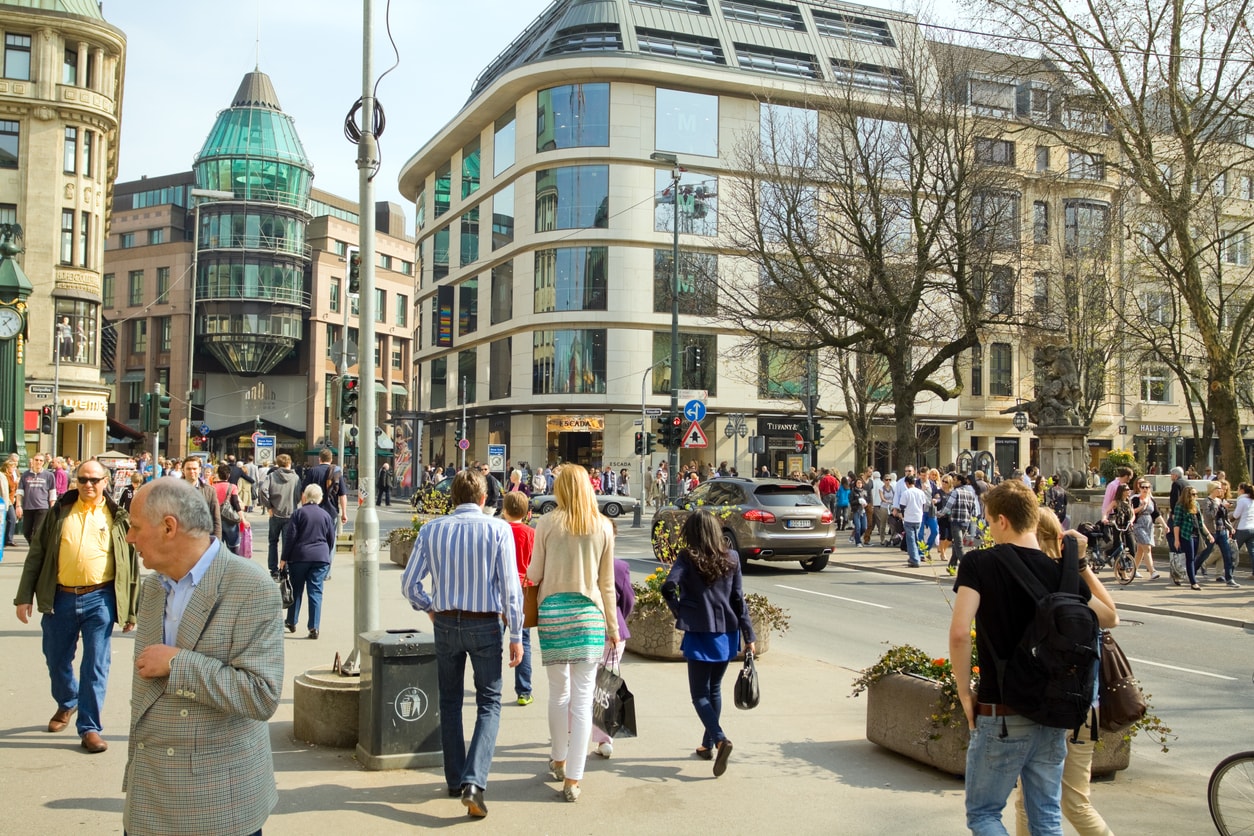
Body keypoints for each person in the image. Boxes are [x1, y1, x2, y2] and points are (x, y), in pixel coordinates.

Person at [948, 481, 1117, 835]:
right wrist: (1078, 564)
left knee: (983, 814)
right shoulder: (1060, 573)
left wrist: (965, 694)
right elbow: (1107, 616)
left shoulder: (980, 563)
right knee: (1046, 816)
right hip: (1052, 711)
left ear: (1004, 521)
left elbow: (960, 633)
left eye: (990, 521)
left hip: (1003, 711)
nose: (989, 528)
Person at [122, 478, 283, 836]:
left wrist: (178, 664)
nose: (130, 538)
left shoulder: (251, 587)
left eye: (135, 528)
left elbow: (262, 694)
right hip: (148, 799)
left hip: (215, 804)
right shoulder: (152, 586)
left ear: (168, 527)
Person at [400, 469, 523, 818]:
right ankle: (474, 781)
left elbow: (409, 584)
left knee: (450, 701)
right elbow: (510, 588)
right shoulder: (497, 529)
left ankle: (454, 779)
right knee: (489, 702)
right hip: (485, 623)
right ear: (484, 498)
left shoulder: (432, 529)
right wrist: (516, 634)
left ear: (452, 497)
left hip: (445, 622)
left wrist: (429, 608)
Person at [13, 459, 139, 753]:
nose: (89, 485)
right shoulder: (60, 512)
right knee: (56, 660)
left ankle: (90, 727)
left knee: (96, 664)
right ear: (75, 481)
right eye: (83, 479)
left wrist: (130, 609)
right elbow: (37, 554)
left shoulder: (117, 517)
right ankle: (67, 701)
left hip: (101, 598)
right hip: (60, 598)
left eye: (95, 480)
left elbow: (130, 565)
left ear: (106, 482)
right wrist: (24, 596)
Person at [1013, 508, 1118, 836]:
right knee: (1050, 801)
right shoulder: (1068, 578)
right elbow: (1111, 616)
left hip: (1052, 708)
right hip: (1081, 706)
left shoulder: (1040, 580)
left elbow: (1109, 617)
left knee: (1053, 802)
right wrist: (1081, 564)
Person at [526, 465, 619, 803]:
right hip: (588, 617)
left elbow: (534, 573)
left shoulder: (547, 523)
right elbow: (607, 585)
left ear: (560, 489)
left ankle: (558, 758)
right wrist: (612, 627)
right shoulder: (603, 526)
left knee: (558, 694)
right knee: (583, 701)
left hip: (553, 614)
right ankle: (573, 780)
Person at [662, 509, 756, 778]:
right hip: (727, 633)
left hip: (700, 632)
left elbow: (668, 587)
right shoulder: (733, 557)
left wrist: (681, 611)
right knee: (714, 689)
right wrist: (749, 636)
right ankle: (707, 745)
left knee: (699, 695)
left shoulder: (687, 557)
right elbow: (739, 599)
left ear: (691, 533)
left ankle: (719, 738)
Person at [591, 551, 635, 759]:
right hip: (612, 632)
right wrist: (619, 619)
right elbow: (628, 600)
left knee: (577, 685)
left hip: (584, 629)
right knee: (606, 686)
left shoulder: (581, 564)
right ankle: (604, 739)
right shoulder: (619, 566)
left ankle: (571, 733)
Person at [282, 484, 337, 639]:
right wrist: (325, 554)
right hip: (320, 558)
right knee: (316, 592)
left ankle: (291, 621)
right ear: (320, 498)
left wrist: (283, 558)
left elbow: (290, 537)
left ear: (304, 497)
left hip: (299, 557)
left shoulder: (298, 514)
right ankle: (314, 626)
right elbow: (331, 539)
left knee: (296, 589)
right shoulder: (326, 515)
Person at [501, 491, 535, 706]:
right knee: (523, 640)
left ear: (504, 511)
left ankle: (490, 684)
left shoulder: (499, 530)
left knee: (494, 641)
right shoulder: (531, 533)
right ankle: (524, 691)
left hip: (499, 589)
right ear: (528, 513)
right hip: (523, 590)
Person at [260, 453, 302, 579]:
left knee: (273, 542)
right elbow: (299, 494)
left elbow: (263, 490)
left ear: (278, 464)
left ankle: (273, 570)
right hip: (290, 514)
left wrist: (269, 506)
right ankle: (285, 568)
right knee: (287, 543)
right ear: (289, 463)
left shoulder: (272, 476)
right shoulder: (295, 478)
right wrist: (294, 502)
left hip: (275, 514)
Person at [1197, 481, 1240, 587]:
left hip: (1222, 531)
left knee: (1227, 554)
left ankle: (1229, 578)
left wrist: (1230, 527)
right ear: (1213, 490)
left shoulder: (1219, 500)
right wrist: (1218, 505)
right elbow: (1209, 515)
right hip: (1212, 531)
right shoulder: (1207, 501)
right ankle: (1193, 571)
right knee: (1205, 553)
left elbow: (1224, 518)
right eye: (1219, 488)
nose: (1221, 490)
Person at [1171, 485, 1212, 590]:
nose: (1195, 496)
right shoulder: (1180, 506)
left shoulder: (1196, 505)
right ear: (1187, 495)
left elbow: (1201, 522)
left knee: (1192, 557)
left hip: (1196, 533)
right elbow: (1177, 524)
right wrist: (1176, 539)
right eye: (1193, 494)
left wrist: (1208, 534)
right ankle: (1193, 582)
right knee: (1190, 557)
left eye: (1196, 494)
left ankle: (1181, 575)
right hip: (1186, 534)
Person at [16, 453, 57, 543]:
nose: (38, 462)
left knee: (37, 532)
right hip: (28, 507)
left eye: (41, 460)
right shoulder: (25, 475)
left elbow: (52, 493)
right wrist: (18, 506)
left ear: (44, 462)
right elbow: (20, 491)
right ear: (33, 461)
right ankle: (34, 549)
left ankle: (36, 553)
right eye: (36, 460)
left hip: (42, 507)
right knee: (26, 532)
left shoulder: (49, 475)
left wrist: (52, 508)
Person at [180, 457, 222, 540]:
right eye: (188, 469)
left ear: (199, 470)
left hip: (202, 540)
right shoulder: (173, 490)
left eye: (194, 469)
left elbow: (216, 519)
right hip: (181, 540)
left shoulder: (209, 491)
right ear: (183, 470)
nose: (192, 471)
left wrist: (217, 542)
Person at [304, 449, 348, 527]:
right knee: (331, 537)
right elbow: (342, 495)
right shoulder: (337, 473)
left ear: (319, 459)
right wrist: (344, 513)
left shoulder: (313, 471)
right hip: (332, 511)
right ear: (331, 459)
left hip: (315, 511)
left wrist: (305, 509)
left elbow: (304, 492)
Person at [1130, 478, 1161, 580]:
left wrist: (1165, 525)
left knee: (1141, 550)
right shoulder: (1135, 498)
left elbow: (1156, 514)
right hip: (1138, 524)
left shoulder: (1151, 500)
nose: (1145, 489)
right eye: (1143, 487)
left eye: (1147, 487)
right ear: (1139, 488)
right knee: (1147, 547)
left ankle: (1133, 571)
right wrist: (1141, 507)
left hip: (1149, 525)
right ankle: (1152, 571)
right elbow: (1131, 512)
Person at [212, 463, 246, 551]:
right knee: (233, 547)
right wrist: (243, 519)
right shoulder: (232, 487)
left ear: (218, 474)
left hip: (215, 520)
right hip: (230, 520)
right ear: (229, 475)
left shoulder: (211, 487)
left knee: (218, 548)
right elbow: (235, 503)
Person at [900, 475, 929, 567]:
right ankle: (916, 555)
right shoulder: (920, 492)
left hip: (909, 518)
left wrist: (903, 515)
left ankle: (914, 559)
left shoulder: (906, 493)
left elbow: (902, 506)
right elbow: (924, 505)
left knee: (911, 539)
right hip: (918, 518)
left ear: (907, 483)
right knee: (916, 538)